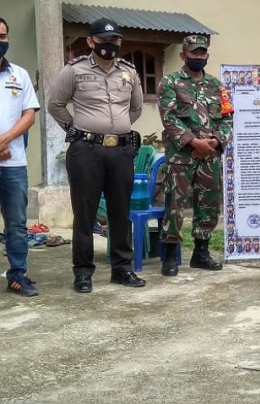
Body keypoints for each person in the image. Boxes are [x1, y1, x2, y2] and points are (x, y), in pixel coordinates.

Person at [47, 18, 145, 293]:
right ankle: (83, 273)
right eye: (103, 41)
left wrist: (118, 128)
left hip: (121, 150)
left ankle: (122, 269)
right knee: (85, 212)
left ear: (119, 42)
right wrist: (76, 129)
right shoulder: (74, 70)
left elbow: (135, 109)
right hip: (86, 150)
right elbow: (55, 105)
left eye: (114, 41)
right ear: (91, 42)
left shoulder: (129, 72)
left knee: (120, 210)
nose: (108, 46)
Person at [157, 34, 233, 276]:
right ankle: (169, 257)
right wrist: (193, 142)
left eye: (202, 53)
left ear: (207, 55)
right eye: (194, 53)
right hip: (181, 155)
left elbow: (227, 117)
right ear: (183, 55)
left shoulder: (217, 86)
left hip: (209, 156)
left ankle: (201, 253)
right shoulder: (170, 82)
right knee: (175, 205)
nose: (198, 57)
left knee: (208, 204)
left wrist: (217, 140)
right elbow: (169, 117)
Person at [0, 17, 40, 296]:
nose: (0, 41)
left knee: (16, 223)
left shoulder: (20, 75)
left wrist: (4, 140)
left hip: (13, 163)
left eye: (3, 36)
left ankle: (17, 275)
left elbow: (29, 115)